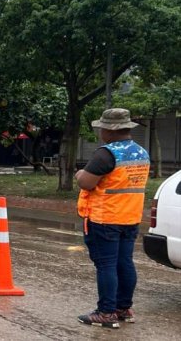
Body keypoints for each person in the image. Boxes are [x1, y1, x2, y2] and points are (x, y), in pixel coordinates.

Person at [75, 108, 150, 329]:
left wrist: (79, 174)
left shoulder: (106, 154)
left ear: (109, 130)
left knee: (106, 265)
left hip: (105, 217)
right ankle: (123, 308)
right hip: (130, 217)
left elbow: (86, 183)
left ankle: (106, 312)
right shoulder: (141, 152)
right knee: (124, 262)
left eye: (101, 129)